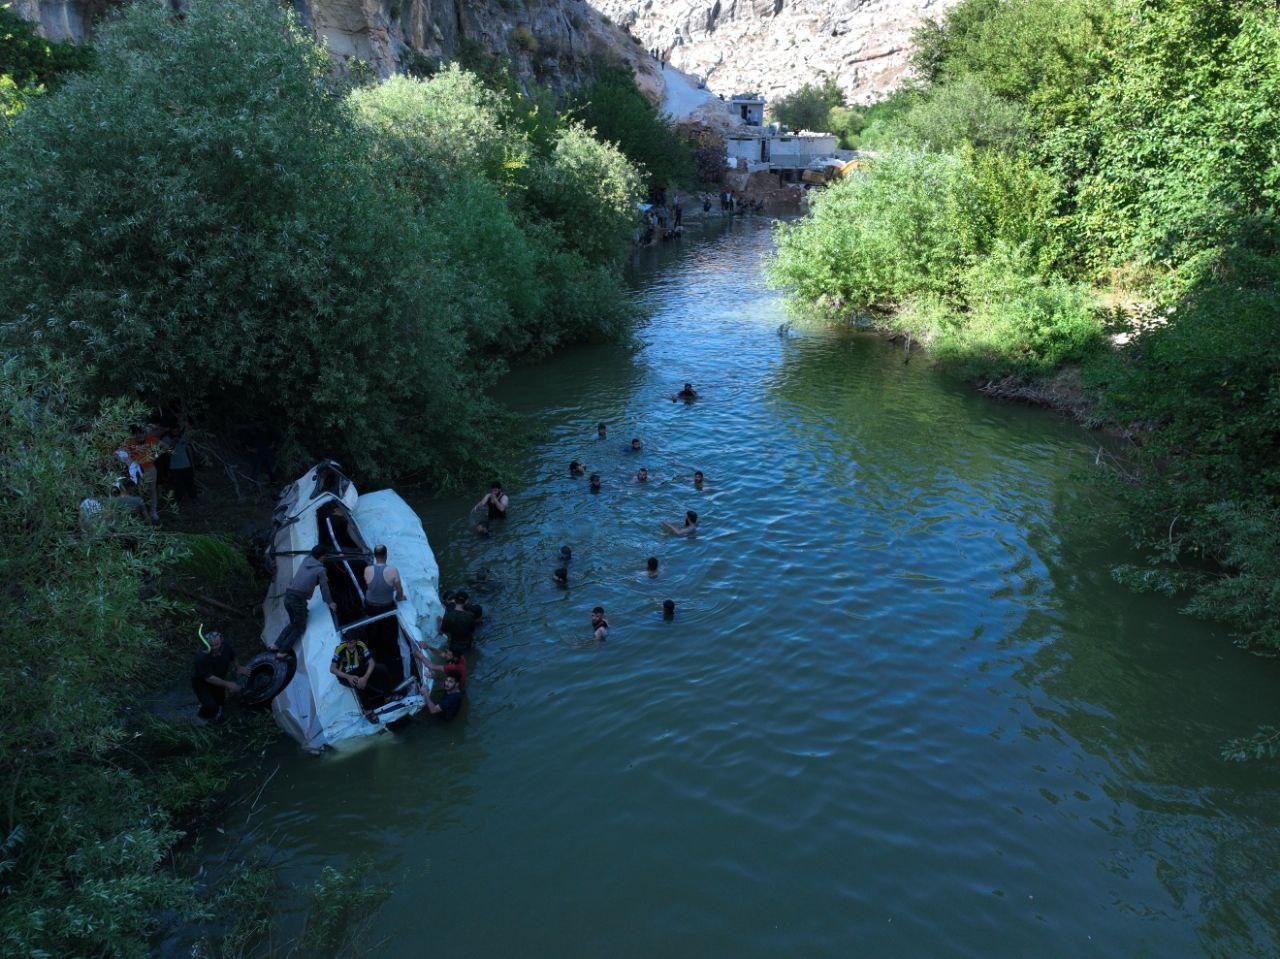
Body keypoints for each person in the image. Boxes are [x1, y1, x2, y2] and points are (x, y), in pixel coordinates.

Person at [268, 544, 337, 657]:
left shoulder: (306, 560)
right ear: (322, 557)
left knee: (294, 623)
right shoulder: (320, 570)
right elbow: (324, 588)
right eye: (325, 556)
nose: (325, 558)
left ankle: (276, 644)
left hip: (288, 596)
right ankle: (283, 651)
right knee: (300, 626)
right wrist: (330, 602)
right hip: (297, 600)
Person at [192, 629, 247, 723]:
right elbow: (209, 678)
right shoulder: (201, 657)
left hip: (219, 678)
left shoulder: (225, 646)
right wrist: (229, 684)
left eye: (216, 645)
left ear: (221, 641)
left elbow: (233, 655)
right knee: (210, 705)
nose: (214, 648)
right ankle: (203, 717)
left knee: (220, 700)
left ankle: (219, 711)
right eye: (211, 645)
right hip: (202, 682)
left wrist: (238, 667)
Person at [362, 544, 406, 644]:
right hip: (386, 606)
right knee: (386, 625)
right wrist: (400, 598)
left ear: (374, 555)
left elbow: (372, 586)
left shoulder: (367, 569)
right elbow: (399, 590)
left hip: (369, 604)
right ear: (386, 555)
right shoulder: (393, 571)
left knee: (372, 622)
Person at [330, 635, 393, 704]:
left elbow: (371, 662)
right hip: (345, 675)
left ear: (356, 641)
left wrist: (365, 677)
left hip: (359, 670)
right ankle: (367, 710)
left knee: (382, 669)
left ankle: (388, 696)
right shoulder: (340, 649)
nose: (348, 645)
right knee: (358, 683)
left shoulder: (361, 645)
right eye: (347, 642)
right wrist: (348, 677)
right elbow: (332, 669)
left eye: (351, 643)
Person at [165, 425, 198, 506]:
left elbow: (189, 450)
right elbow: (167, 454)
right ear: (171, 430)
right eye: (174, 431)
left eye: (177, 430)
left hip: (186, 465)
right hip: (175, 468)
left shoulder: (184, 437)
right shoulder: (166, 439)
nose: (176, 432)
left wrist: (192, 464)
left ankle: (194, 500)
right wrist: (173, 443)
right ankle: (181, 503)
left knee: (190, 484)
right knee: (178, 486)